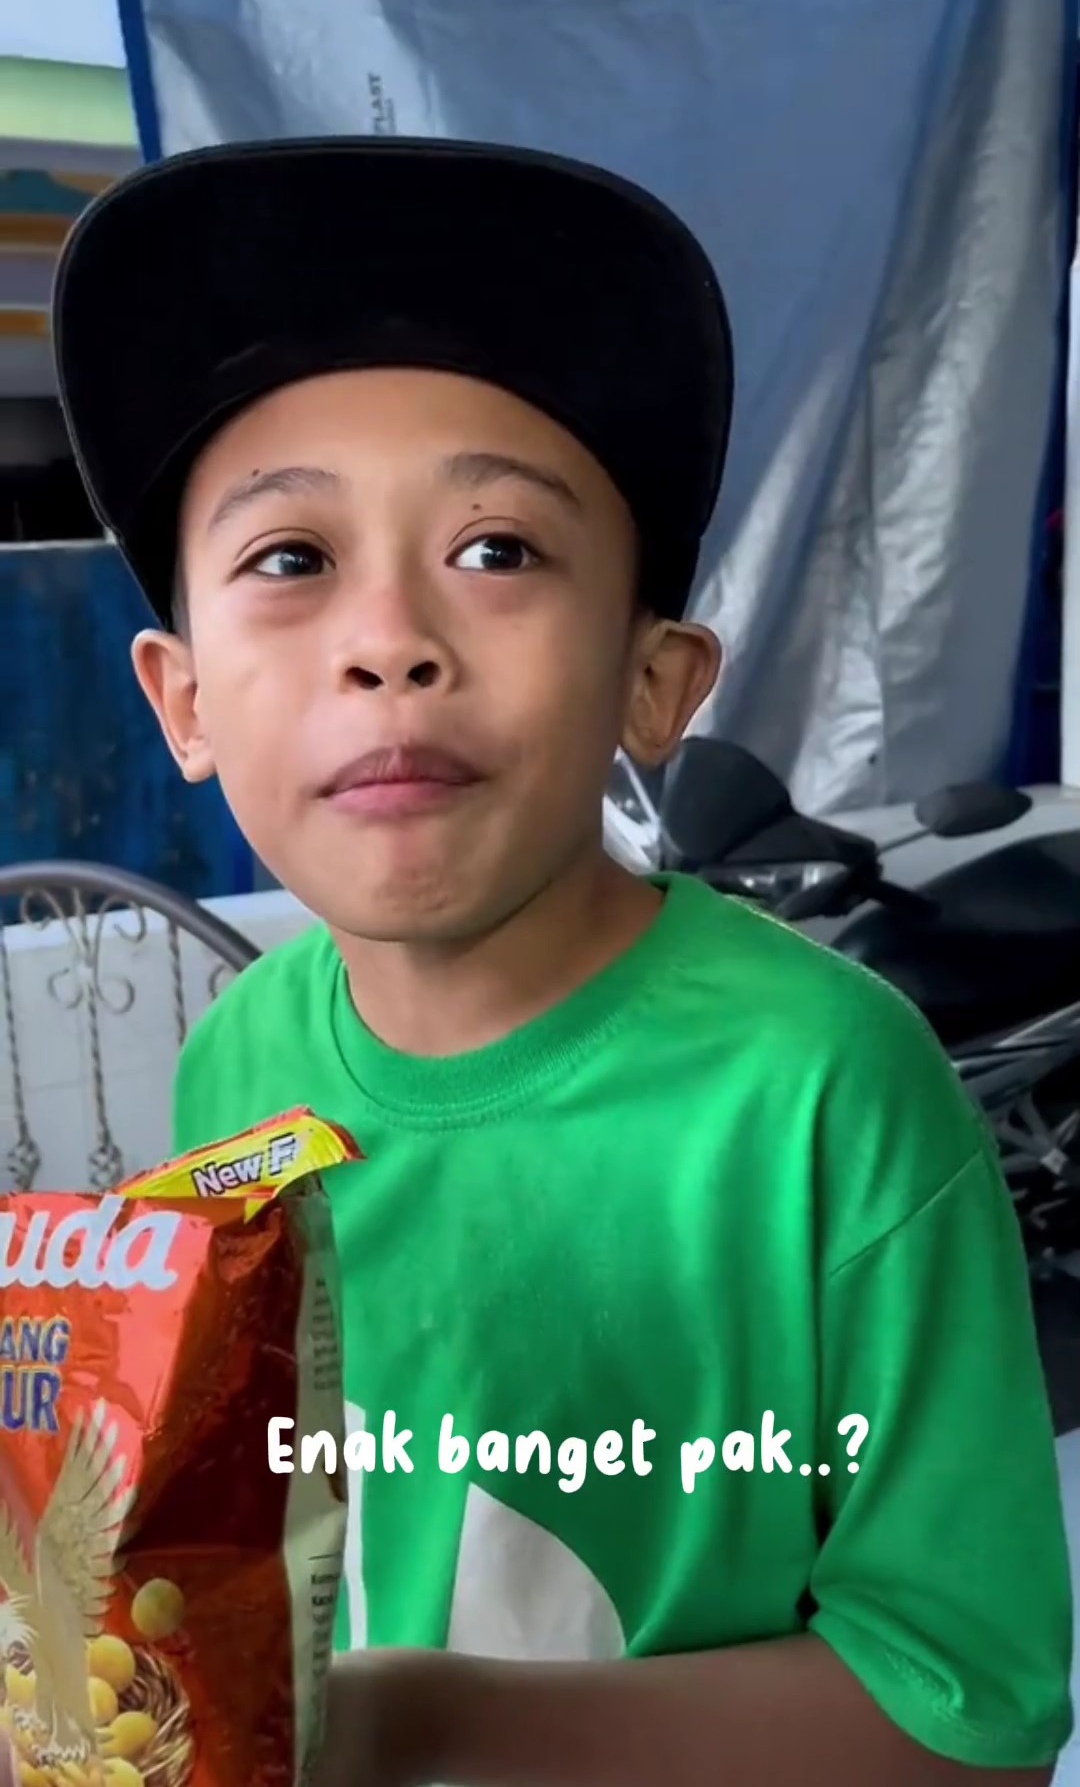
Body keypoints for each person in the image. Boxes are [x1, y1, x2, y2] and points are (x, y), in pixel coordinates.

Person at [53, 137, 1072, 1787]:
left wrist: (430, 1720)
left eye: (498, 551)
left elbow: (972, 1716)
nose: (390, 642)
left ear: (655, 683)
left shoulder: (826, 1096)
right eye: (291, 560)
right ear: (181, 701)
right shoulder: (236, 1064)